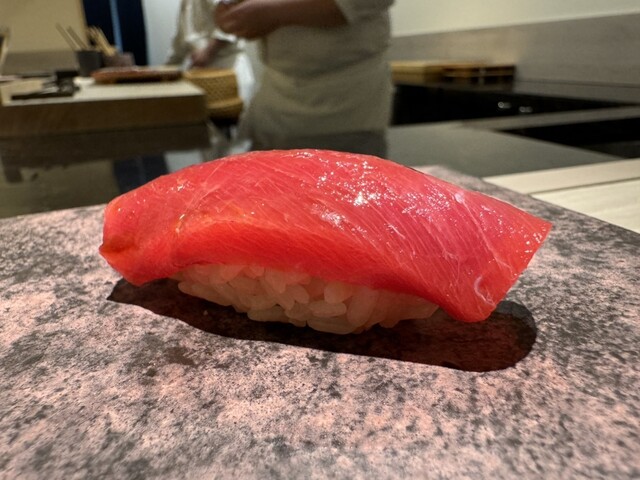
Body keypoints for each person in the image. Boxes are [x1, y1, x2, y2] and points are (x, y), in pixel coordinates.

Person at [214, 0, 394, 157]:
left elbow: (348, 5)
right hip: (275, 101)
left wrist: (273, 12)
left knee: (347, 181)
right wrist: (234, 13)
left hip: (344, 107)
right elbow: (233, 15)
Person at [166, 0, 255, 105]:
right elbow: (180, 43)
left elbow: (232, 19)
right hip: (201, 77)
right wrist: (165, 71)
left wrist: (207, 52)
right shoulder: (186, 3)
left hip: (228, 70)